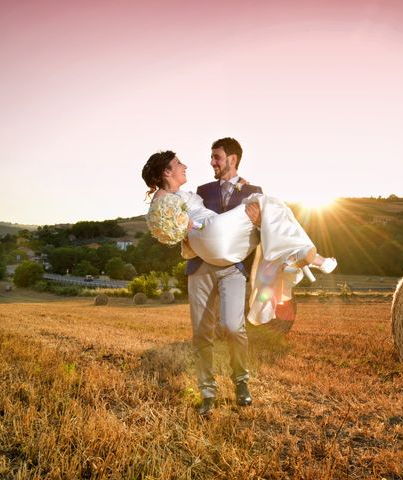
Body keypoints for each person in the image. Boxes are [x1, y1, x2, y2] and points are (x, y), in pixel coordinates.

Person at [142, 143, 336, 417]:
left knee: (234, 327)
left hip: (232, 265)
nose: (211, 162)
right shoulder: (201, 191)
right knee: (201, 333)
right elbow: (180, 221)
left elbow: (262, 228)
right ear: (166, 171)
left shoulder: (251, 191)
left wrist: (257, 222)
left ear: (232, 159)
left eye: (216, 157)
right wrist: (189, 229)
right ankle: (207, 392)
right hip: (201, 266)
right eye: (211, 157)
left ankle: (241, 383)